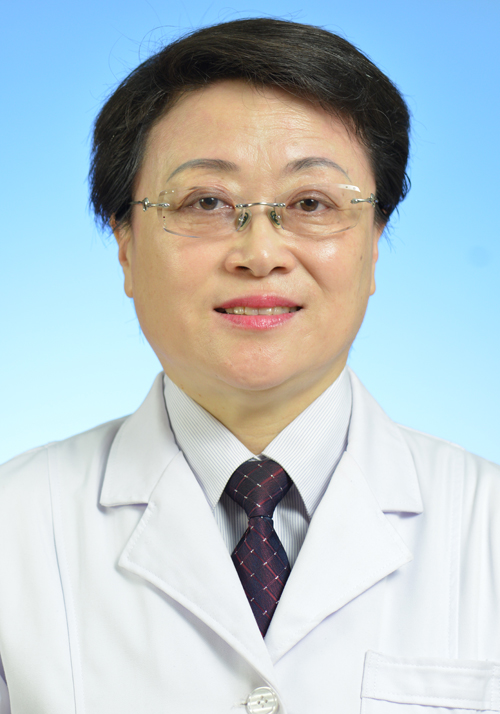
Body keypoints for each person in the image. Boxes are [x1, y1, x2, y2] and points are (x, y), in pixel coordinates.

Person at [0, 17, 499, 714]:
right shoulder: (15, 527)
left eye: (311, 204)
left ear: (373, 242)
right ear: (125, 245)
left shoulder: (486, 524)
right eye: (206, 202)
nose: (260, 254)